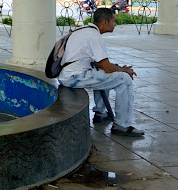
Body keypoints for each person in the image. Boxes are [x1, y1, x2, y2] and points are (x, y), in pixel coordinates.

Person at [55, 7, 144, 137]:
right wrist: (124, 70)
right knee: (124, 80)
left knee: (104, 73)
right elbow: (107, 67)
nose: (115, 24)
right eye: (113, 21)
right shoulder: (94, 36)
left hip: (68, 75)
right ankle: (122, 124)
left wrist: (117, 68)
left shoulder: (85, 30)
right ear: (104, 22)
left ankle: (100, 113)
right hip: (73, 77)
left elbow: (100, 63)